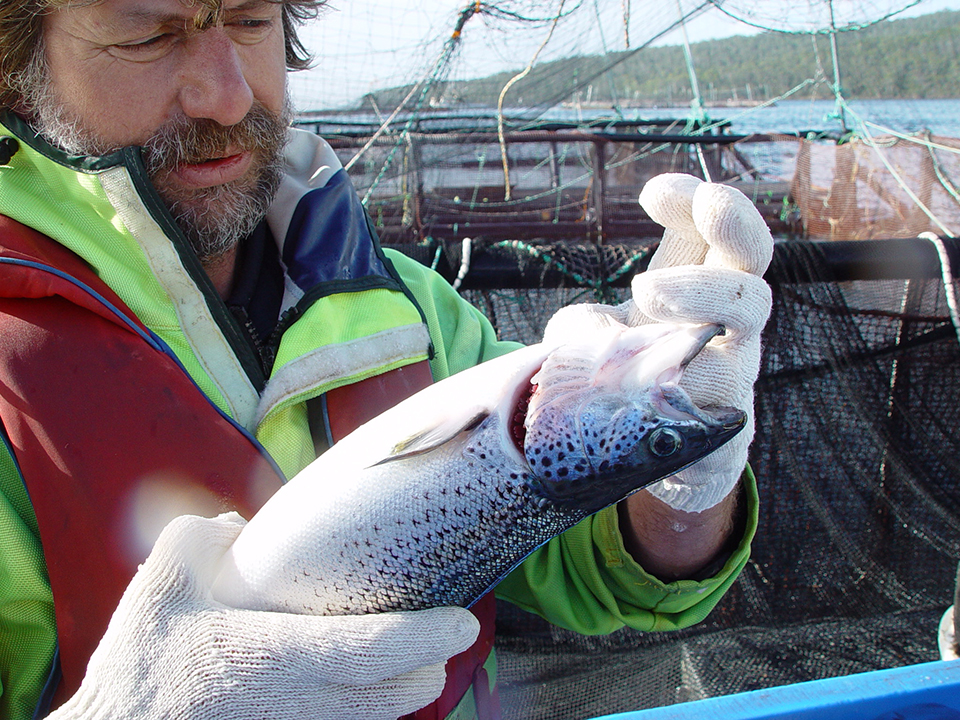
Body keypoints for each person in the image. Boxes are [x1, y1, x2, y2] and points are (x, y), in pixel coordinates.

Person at [0, 0, 773, 718]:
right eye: (148, 36)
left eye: (248, 19)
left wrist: (678, 480)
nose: (228, 96)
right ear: (19, 74)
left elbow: (598, 566)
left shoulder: (408, 305)